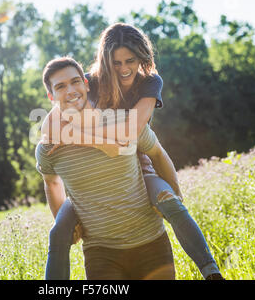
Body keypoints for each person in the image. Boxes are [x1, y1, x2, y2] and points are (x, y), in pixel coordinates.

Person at [40, 23, 224, 280]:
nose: (124, 69)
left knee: (172, 203)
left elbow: (130, 133)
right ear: (105, 61)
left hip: (139, 163)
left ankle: (211, 272)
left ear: (142, 58)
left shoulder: (149, 82)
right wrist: (96, 143)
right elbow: (49, 125)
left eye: (131, 60)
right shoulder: (89, 82)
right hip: (94, 176)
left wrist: (175, 191)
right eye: (116, 63)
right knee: (59, 231)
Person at [36, 57, 175, 279]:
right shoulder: (49, 147)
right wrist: (66, 224)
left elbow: (157, 152)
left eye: (75, 81)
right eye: (60, 86)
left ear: (86, 84)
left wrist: (175, 195)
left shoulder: (125, 122)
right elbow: (51, 182)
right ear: (51, 96)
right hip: (100, 253)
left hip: (151, 242)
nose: (71, 90)